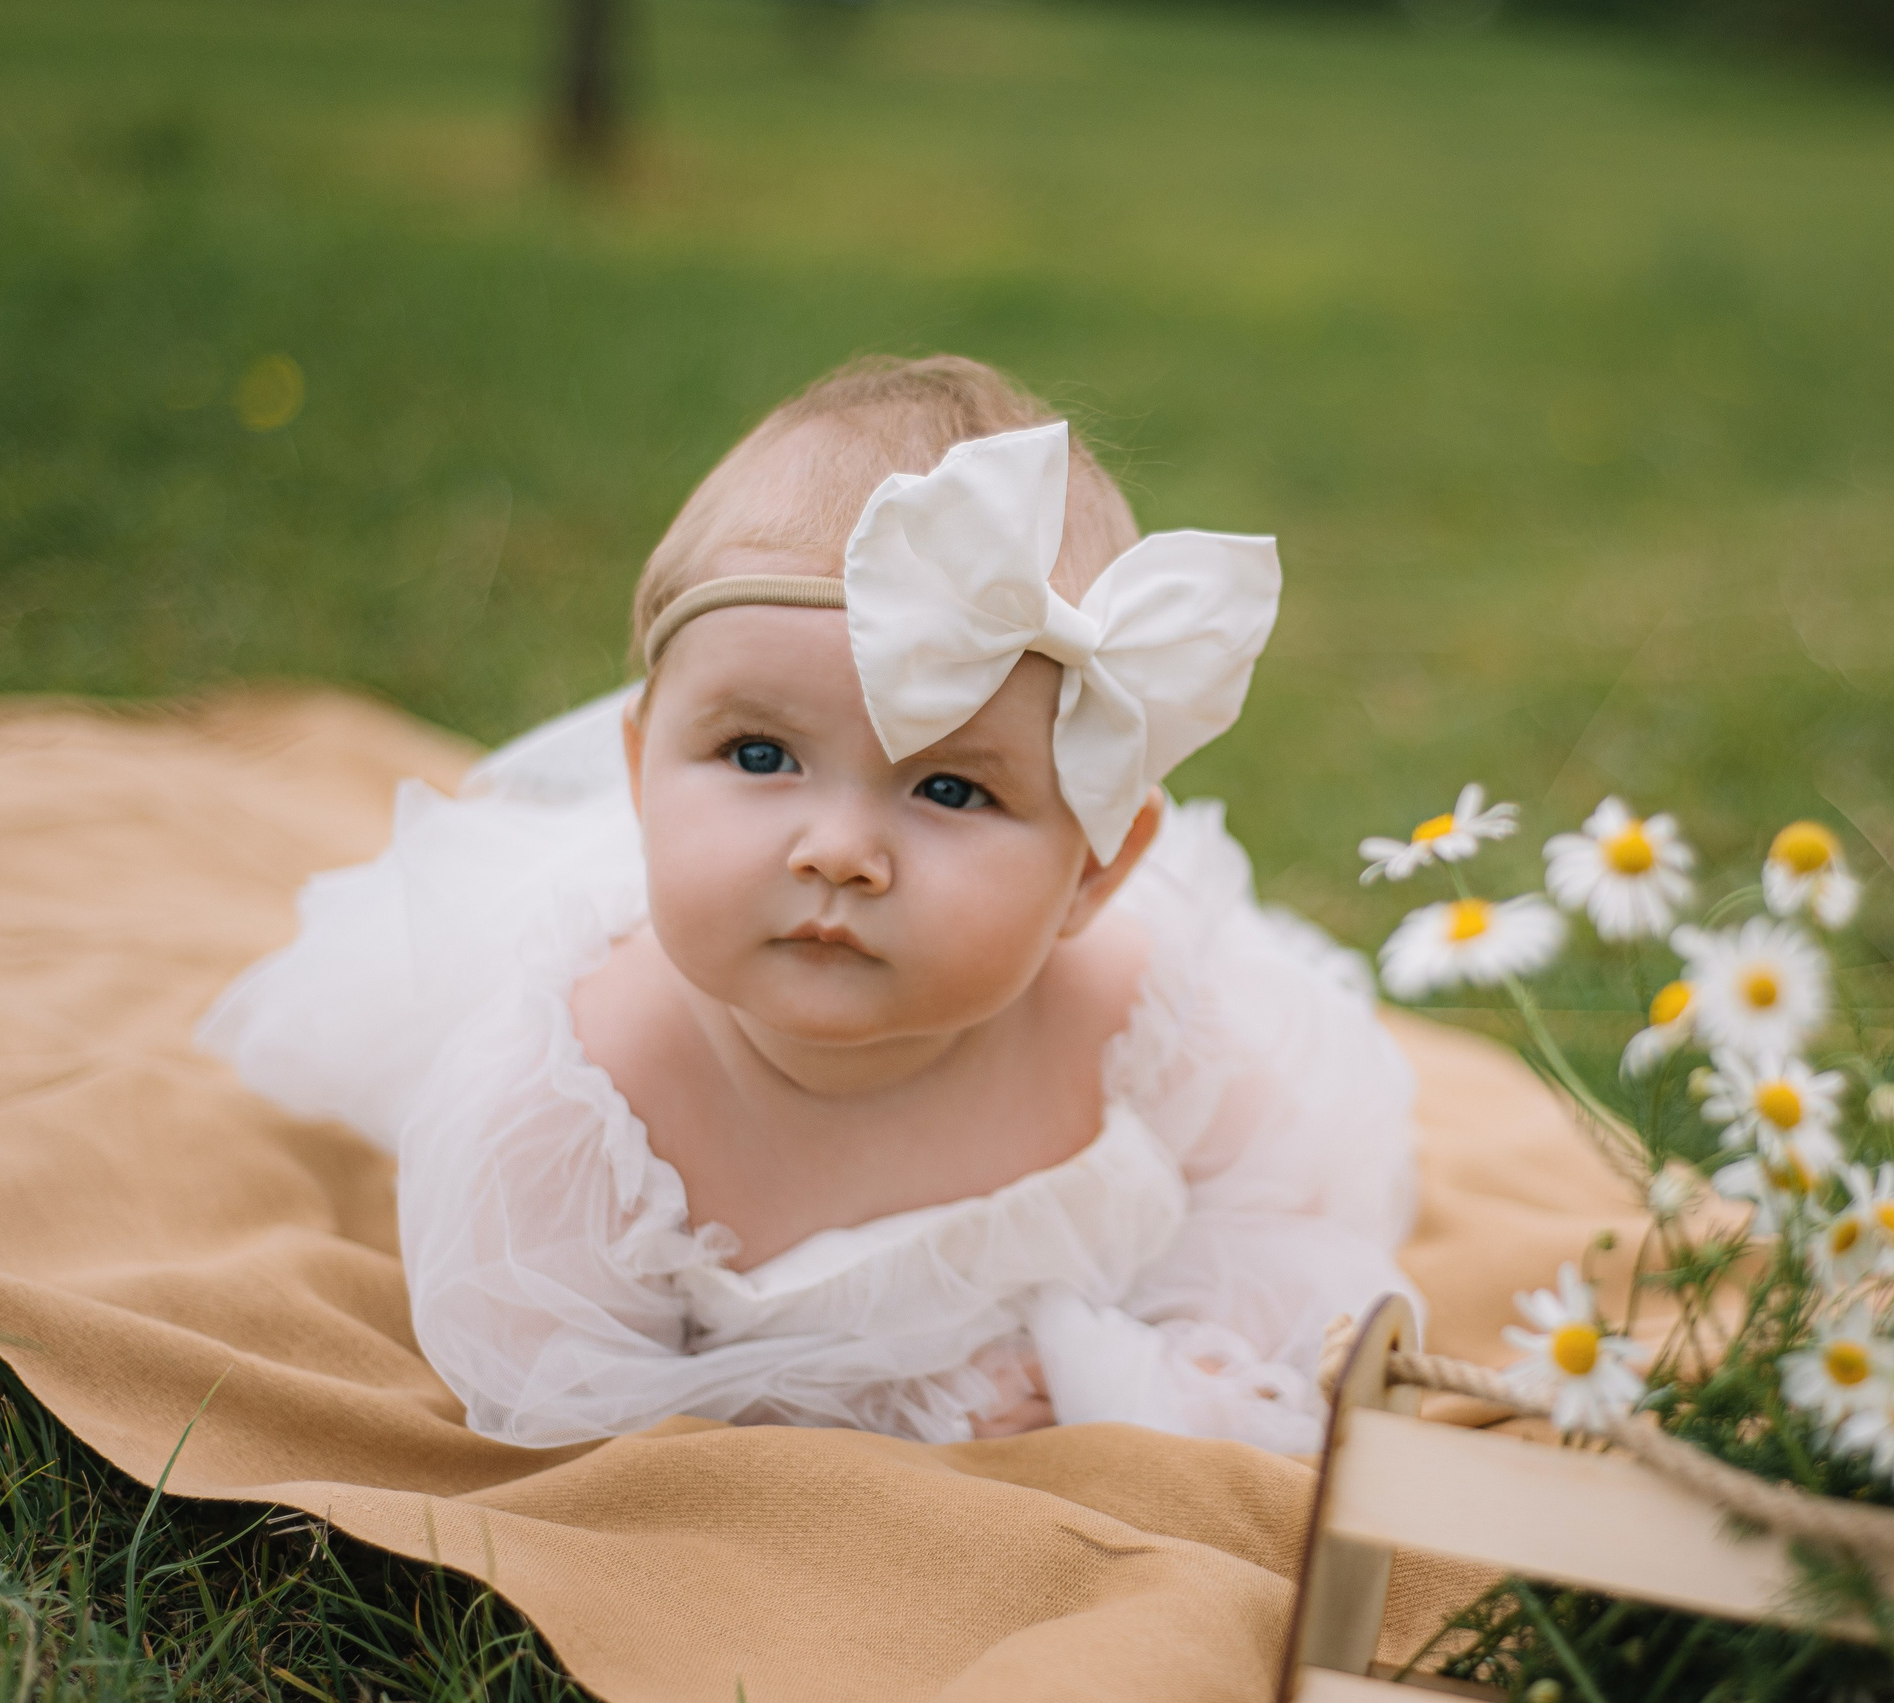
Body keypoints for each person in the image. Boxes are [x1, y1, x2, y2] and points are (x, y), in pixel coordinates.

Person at [199, 355, 1421, 1453]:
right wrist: (899, 1410)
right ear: (637, 777)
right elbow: (567, 1393)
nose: (839, 850)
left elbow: (1277, 1226)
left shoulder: (1142, 1017)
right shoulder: (585, 1097)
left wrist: (1176, 1358)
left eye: (948, 786)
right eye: (759, 756)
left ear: (1095, 870)